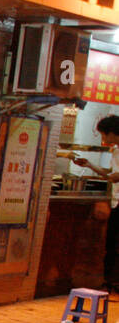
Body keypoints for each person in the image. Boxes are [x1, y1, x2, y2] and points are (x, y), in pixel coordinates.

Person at [71, 113, 119, 291]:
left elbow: (113, 177)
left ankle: (111, 282)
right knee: (111, 244)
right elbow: (111, 175)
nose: (103, 138)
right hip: (116, 201)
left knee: (113, 245)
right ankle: (109, 282)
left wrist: (92, 166)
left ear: (113, 133)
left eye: (104, 134)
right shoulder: (115, 151)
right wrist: (90, 165)